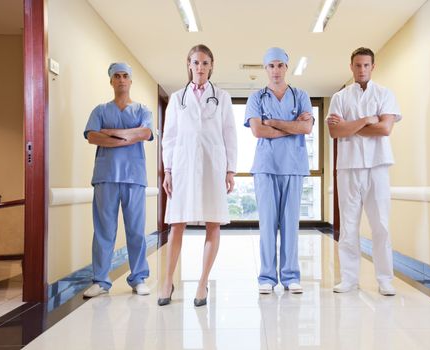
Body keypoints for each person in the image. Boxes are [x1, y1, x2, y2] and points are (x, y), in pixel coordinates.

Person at [160, 44, 237, 307]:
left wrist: (230, 169)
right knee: (177, 224)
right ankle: (167, 281)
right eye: (196, 62)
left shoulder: (222, 97)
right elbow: (169, 137)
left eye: (205, 63)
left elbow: (229, 135)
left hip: (212, 166)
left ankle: (203, 283)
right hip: (182, 166)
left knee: (213, 222)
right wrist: (168, 170)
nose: (200, 67)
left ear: (211, 66)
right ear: (188, 64)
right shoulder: (176, 98)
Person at [326, 47, 402, 296]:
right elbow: (335, 132)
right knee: (348, 226)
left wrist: (350, 126)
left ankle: (384, 280)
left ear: (373, 66)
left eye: (366, 65)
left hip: (377, 166)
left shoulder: (385, 94)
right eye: (357, 65)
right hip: (348, 167)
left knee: (381, 224)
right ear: (351, 67)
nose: (361, 69)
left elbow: (385, 129)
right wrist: (367, 120)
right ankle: (349, 279)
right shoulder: (340, 98)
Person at [244, 47, 313, 295]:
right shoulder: (256, 98)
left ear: (287, 67)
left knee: (290, 224)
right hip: (266, 167)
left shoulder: (301, 95)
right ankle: (266, 277)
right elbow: (257, 131)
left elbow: (307, 129)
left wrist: (273, 122)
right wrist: (292, 126)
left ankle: (291, 276)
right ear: (265, 69)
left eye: (280, 65)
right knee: (268, 224)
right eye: (271, 66)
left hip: (293, 167)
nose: (275, 70)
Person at [83, 62, 153, 298]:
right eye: (117, 76)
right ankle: (101, 281)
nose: (121, 80)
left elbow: (145, 133)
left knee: (136, 231)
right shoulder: (100, 110)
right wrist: (128, 137)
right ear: (111, 81)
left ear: (131, 81)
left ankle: (139, 278)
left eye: (125, 76)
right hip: (106, 177)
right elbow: (92, 136)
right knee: (104, 230)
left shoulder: (143, 110)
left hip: (134, 177)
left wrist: (112, 133)